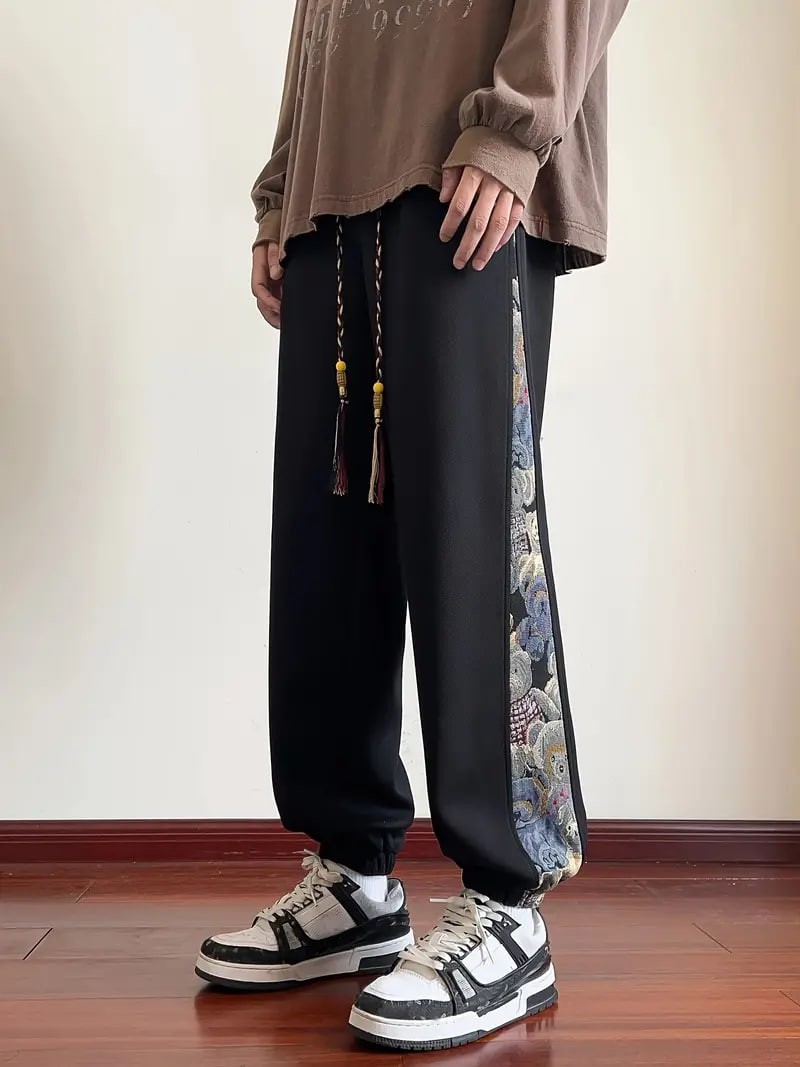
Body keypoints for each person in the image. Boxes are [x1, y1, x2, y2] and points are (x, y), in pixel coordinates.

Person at [197, 0, 628, 1052]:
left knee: (471, 535)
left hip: (472, 158)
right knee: (326, 535)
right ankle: (354, 876)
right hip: (334, 180)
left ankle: (508, 902)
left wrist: (516, 122)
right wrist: (283, 184)